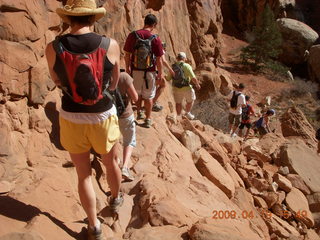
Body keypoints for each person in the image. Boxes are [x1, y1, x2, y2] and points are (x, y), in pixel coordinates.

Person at [45, 1, 123, 239]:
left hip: (71, 116)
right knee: (111, 164)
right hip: (102, 115)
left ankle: (94, 226)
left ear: (68, 18)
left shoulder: (53, 47)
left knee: (83, 174)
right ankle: (115, 199)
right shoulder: (110, 44)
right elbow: (115, 82)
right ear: (93, 18)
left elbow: (57, 81)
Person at [124, 14, 163, 128]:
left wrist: (127, 68)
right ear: (154, 25)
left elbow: (127, 54)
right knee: (149, 96)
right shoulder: (155, 38)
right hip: (150, 71)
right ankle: (148, 119)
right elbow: (159, 59)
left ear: (144, 22)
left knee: (137, 93)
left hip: (135, 70)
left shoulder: (133, 35)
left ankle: (139, 112)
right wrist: (160, 73)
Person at [167, 52, 201, 119]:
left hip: (176, 88)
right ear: (184, 58)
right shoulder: (187, 66)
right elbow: (193, 77)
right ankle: (187, 113)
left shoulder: (173, 66)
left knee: (178, 103)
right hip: (187, 88)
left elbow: (168, 78)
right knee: (191, 100)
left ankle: (179, 116)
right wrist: (197, 84)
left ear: (177, 58)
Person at [118, 71, 138, 181]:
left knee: (113, 138)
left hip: (108, 113)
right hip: (125, 113)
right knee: (129, 140)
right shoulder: (124, 76)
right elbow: (135, 97)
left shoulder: (100, 73)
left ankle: (115, 160)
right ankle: (125, 167)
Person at [152, 42, 175, 112]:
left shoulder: (152, 49)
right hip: (155, 71)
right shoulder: (160, 50)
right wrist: (170, 69)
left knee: (153, 87)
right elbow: (163, 61)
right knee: (162, 85)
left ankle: (153, 102)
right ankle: (152, 103)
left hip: (147, 70)